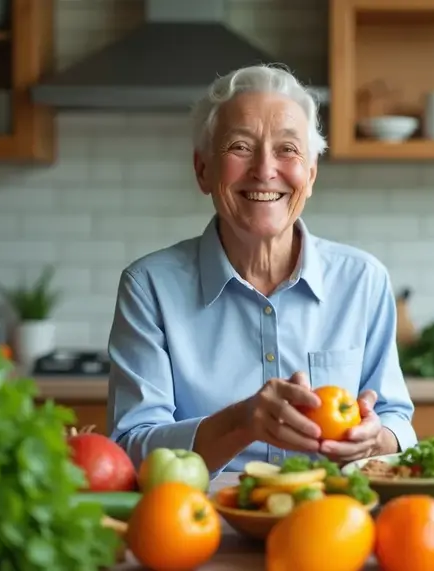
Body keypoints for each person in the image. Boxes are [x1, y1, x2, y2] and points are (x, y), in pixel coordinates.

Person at [106, 64, 417, 475]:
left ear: (311, 173)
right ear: (203, 171)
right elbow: (131, 447)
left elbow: (396, 417)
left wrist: (376, 439)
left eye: (287, 149)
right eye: (240, 147)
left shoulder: (363, 281)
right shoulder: (149, 287)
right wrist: (240, 423)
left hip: (335, 521)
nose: (265, 169)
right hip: (197, 524)